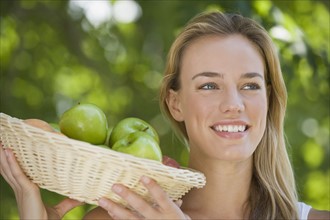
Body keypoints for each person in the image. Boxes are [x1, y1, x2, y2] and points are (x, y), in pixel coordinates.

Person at [0, 11, 329, 219]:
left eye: (250, 86)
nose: (234, 104)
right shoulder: (118, 217)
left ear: (270, 99)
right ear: (176, 103)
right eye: (209, 86)